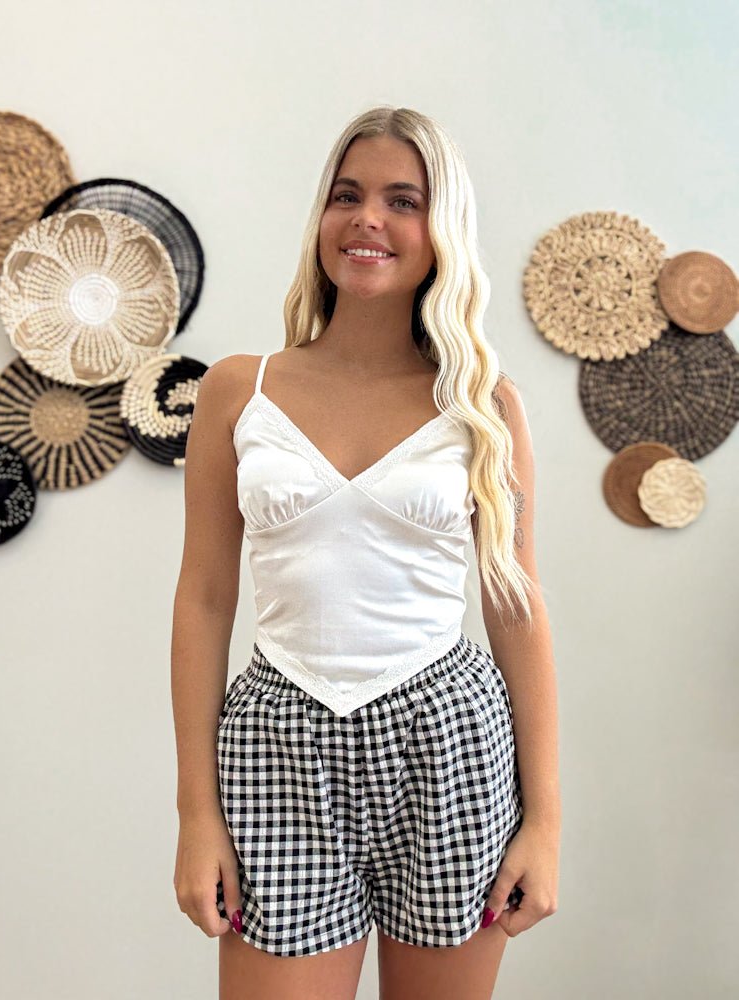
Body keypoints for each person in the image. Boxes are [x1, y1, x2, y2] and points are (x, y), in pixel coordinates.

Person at [171, 106, 560, 1000]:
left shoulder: (484, 405)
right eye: (346, 196)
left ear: (441, 226)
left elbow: (516, 606)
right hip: (276, 747)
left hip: (450, 744)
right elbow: (203, 600)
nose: (367, 219)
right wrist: (197, 814)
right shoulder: (239, 390)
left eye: (402, 200)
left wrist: (545, 821)